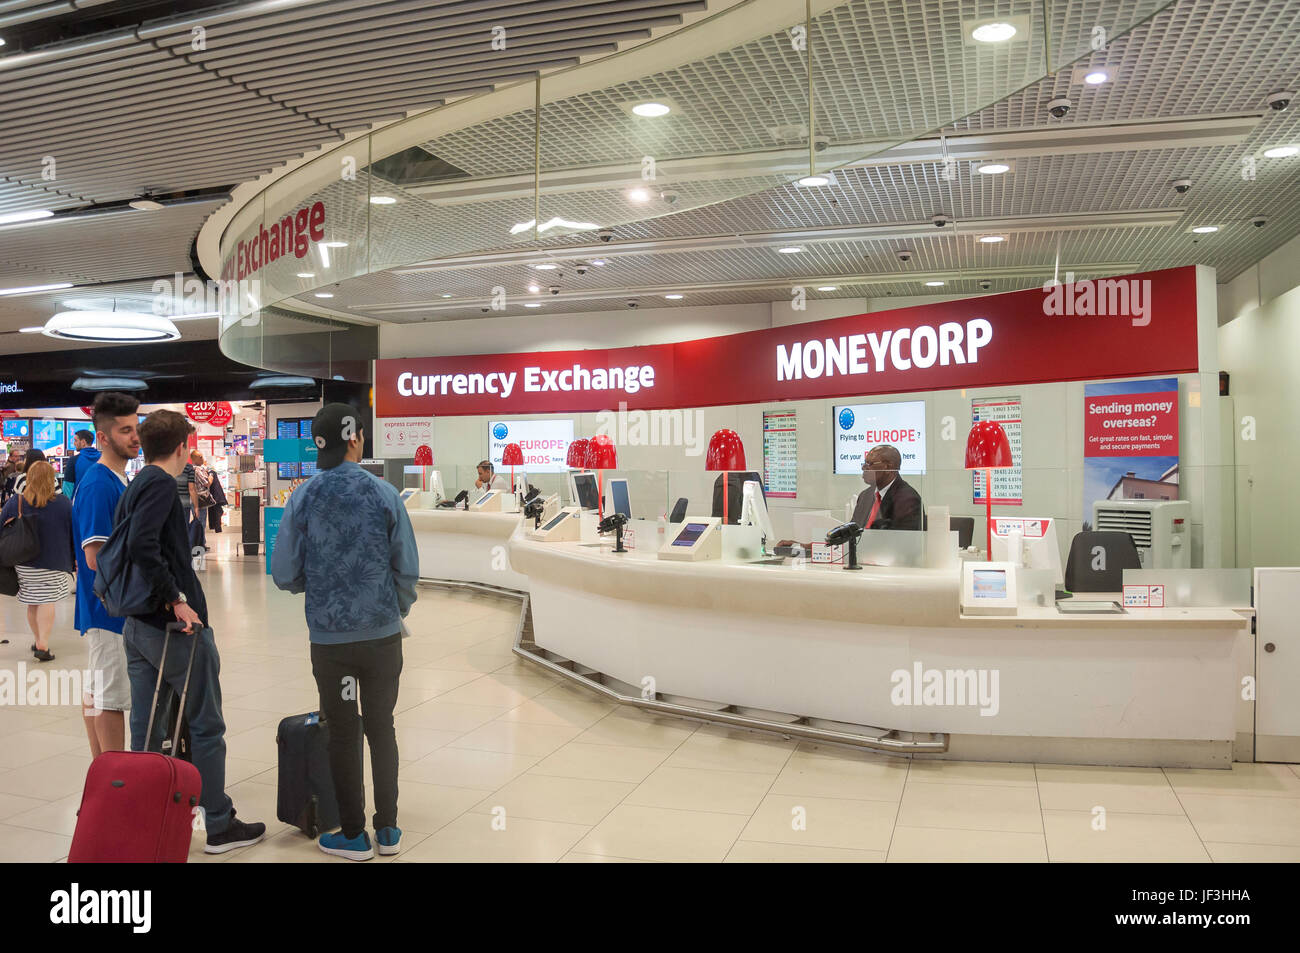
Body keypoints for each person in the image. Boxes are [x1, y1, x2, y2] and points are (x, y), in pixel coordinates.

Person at [272, 403, 419, 861]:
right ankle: (389, 830)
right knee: (382, 726)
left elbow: (283, 572)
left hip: (330, 640)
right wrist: (396, 606)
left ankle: (353, 834)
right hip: (381, 635)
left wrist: (312, 588)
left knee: (342, 731)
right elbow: (407, 566)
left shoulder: (302, 496)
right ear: (355, 439)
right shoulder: (384, 493)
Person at [117, 409, 265, 854]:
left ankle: (143, 814)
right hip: (173, 627)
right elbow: (144, 545)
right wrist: (176, 598)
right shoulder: (162, 484)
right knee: (205, 722)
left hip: (138, 624)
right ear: (182, 446)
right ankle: (218, 823)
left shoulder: (137, 482)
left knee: (145, 726)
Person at [73, 393, 140, 757]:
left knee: (97, 688)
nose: (135, 437)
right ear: (102, 437)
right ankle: (117, 779)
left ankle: (102, 769)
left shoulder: (116, 479)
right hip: (109, 610)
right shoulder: (100, 484)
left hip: (106, 607)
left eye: (136, 428)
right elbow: (96, 557)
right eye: (125, 430)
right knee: (111, 698)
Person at [0, 461, 75, 662]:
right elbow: (74, 532)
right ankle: (42, 643)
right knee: (47, 600)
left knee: (33, 602)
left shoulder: (17, 501)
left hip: (24, 560)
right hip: (54, 559)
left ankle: (38, 639)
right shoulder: (63, 503)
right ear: (52, 478)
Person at [851, 444, 923, 531]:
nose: (863, 468)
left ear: (888, 468)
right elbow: (853, 531)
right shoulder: (865, 496)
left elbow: (904, 540)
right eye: (864, 463)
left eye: (869, 464)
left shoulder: (908, 500)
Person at [65, 429, 98, 496]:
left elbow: (67, 489)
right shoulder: (103, 459)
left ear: (83, 442)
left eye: (76, 440)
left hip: (79, 503)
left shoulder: (73, 460)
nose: (74, 443)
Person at [188, 451, 209, 552]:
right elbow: (206, 483)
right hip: (200, 500)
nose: (202, 459)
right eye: (200, 457)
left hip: (197, 500)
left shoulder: (196, 469)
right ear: (195, 458)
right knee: (201, 522)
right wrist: (212, 476)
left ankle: (201, 542)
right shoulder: (197, 470)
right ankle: (199, 544)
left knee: (200, 522)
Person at [206, 466, 228, 533]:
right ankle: (216, 527)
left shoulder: (211, 473)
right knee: (216, 510)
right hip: (215, 496)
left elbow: (210, 480)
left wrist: (205, 485)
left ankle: (216, 527)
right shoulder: (211, 472)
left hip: (215, 496)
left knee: (216, 511)